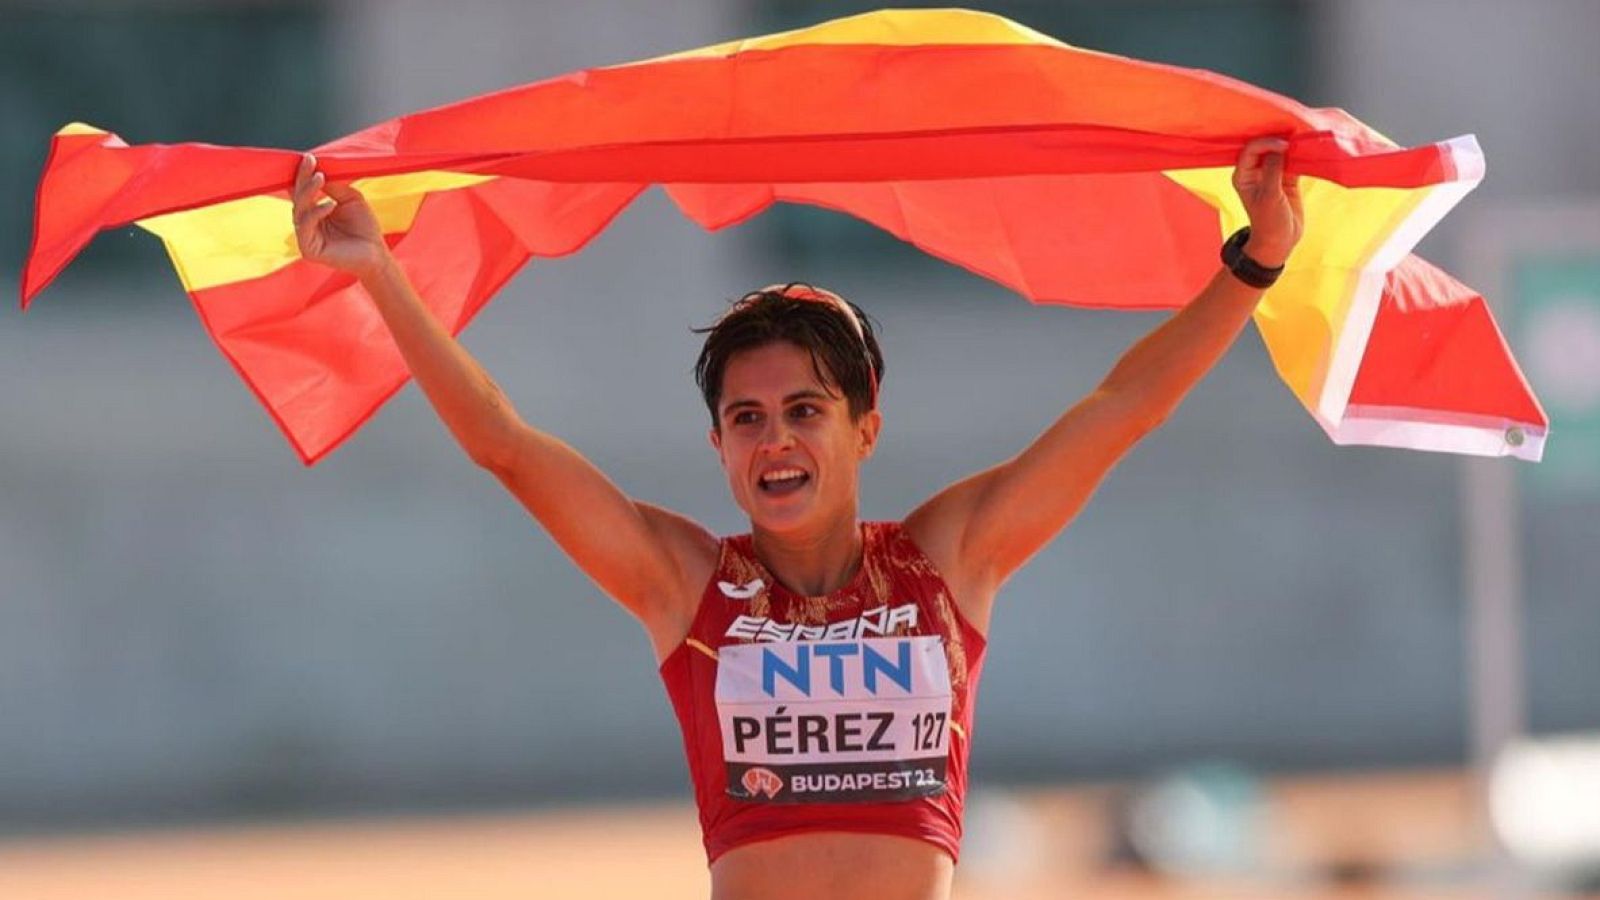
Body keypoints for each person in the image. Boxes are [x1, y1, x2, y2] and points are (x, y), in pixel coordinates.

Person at [291, 136, 1303, 900]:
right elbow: (505, 444)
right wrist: (380, 272)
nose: (775, 440)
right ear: (720, 450)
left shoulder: (947, 561)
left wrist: (1255, 259)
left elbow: (1121, 409)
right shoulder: (684, 584)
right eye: (747, 418)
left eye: (804, 411)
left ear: (865, 428)